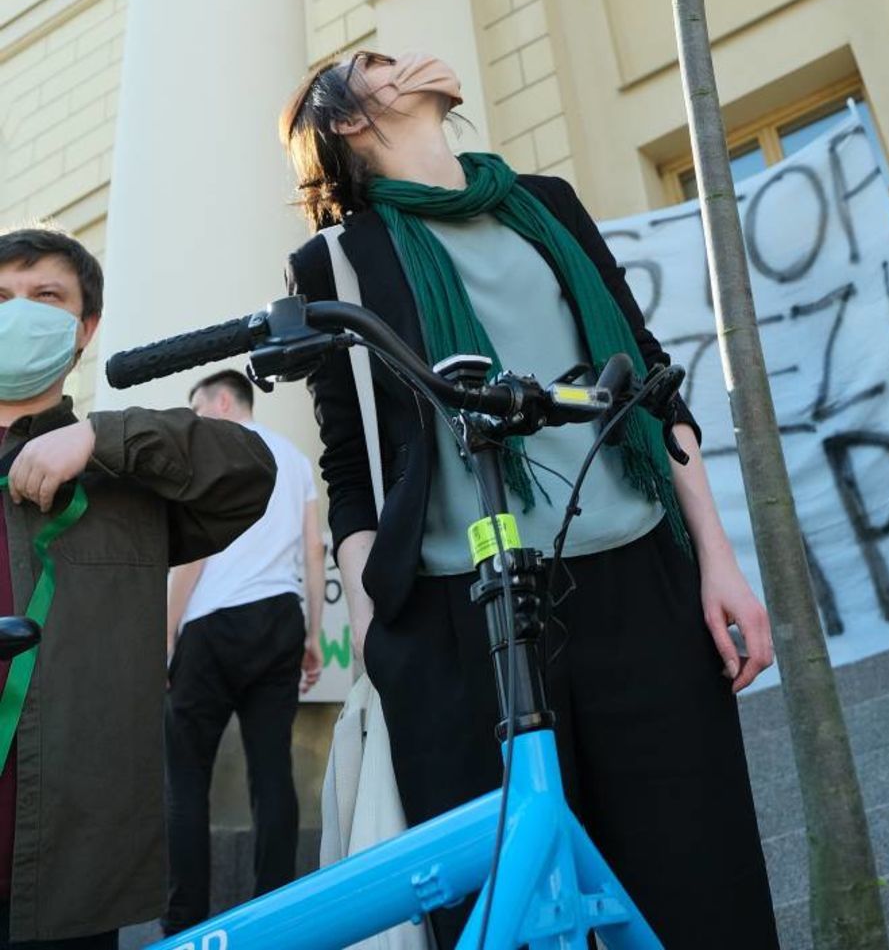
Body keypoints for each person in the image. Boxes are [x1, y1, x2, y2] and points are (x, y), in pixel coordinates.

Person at [281, 48, 781, 950]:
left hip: (637, 582)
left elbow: (653, 384)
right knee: (504, 920)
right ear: (347, 119)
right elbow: (350, 469)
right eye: (379, 63)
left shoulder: (544, 205)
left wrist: (717, 560)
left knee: (700, 888)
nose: (409, 58)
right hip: (457, 619)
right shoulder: (335, 264)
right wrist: (380, 628)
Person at [0, 226, 276, 950]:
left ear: (85, 327)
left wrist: (100, 437)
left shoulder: (125, 481)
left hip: (65, 885)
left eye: (46, 295)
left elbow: (249, 470)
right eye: (1, 297)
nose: (18, 312)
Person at [163, 369, 325, 937]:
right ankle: (275, 919)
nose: (197, 423)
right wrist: (311, 633)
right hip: (280, 617)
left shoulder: (216, 451)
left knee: (185, 778)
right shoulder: (297, 460)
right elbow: (313, 547)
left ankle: (184, 926)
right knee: (272, 771)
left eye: (199, 411)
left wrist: (167, 632)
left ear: (224, 400)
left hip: (212, 622)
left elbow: (193, 557)